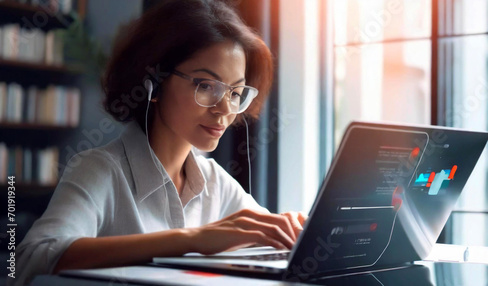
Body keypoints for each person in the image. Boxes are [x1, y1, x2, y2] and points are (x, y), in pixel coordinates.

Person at [12, 0, 306, 285]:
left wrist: (296, 230)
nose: (225, 109)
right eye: (205, 86)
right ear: (152, 84)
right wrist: (192, 239)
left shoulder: (216, 182)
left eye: (235, 93)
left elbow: (275, 241)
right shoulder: (100, 170)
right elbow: (31, 262)